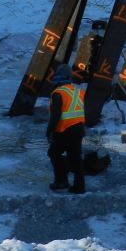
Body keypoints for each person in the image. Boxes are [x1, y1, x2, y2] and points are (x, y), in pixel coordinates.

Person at [46, 64, 86, 194]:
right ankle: (79, 186)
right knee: (75, 157)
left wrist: (50, 131)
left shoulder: (58, 93)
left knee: (54, 153)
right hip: (79, 129)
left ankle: (61, 181)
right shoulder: (78, 91)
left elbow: (56, 115)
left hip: (64, 130)